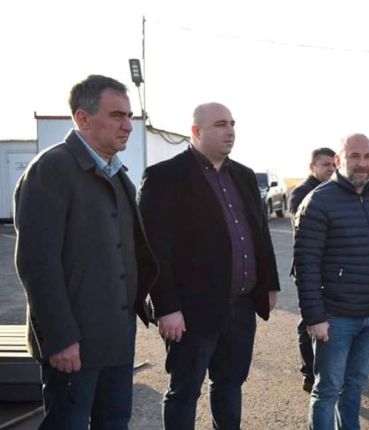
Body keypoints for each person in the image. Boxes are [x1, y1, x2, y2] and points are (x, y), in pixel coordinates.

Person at [14, 74, 158, 429]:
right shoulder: (51, 170)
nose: (127, 126)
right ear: (82, 118)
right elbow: (37, 265)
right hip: (73, 345)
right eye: (116, 116)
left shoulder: (118, 176)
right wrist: (60, 339)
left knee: (114, 422)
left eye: (129, 116)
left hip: (116, 340)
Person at [138, 102, 280, 429]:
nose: (230, 131)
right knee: (184, 391)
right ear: (196, 131)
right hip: (191, 311)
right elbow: (154, 250)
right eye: (220, 124)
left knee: (230, 384)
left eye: (232, 123)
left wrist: (268, 283)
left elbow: (260, 233)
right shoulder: (165, 177)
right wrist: (166, 307)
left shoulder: (243, 175)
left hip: (241, 306)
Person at [293, 133, 369, 430]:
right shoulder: (318, 201)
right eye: (355, 156)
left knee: (354, 386)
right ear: (339, 160)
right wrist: (315, 317)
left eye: (367, 156)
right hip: (334, 319)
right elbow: (306, 265)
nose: (362, 163)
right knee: (327, 390)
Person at [288, 147, 336, 392]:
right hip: (309, 269)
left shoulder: (335, 190)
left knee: (329, 317)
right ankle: (309, 372)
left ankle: (328, 365)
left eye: (334, 164)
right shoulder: (301, 193)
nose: (331, 169)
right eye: (326, 164)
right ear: (312, 167)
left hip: (332, 269)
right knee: (309, 319)